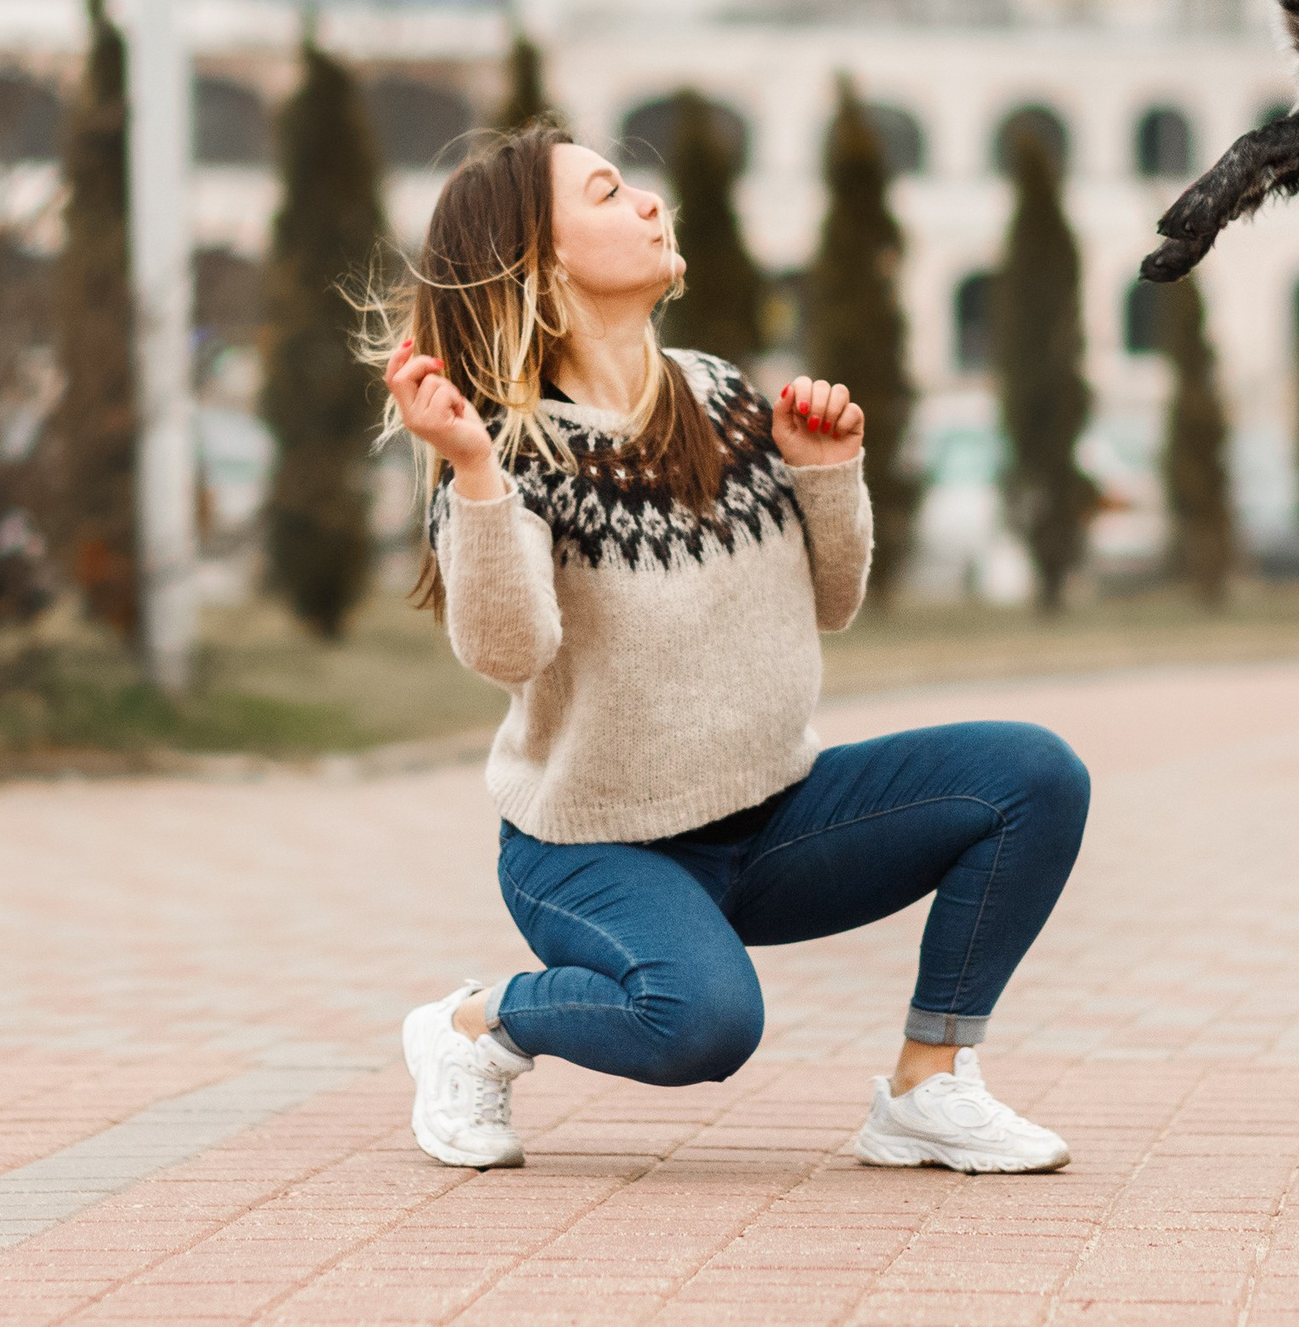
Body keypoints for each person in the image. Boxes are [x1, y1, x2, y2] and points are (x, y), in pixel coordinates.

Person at [373, 122, 1089, 1175]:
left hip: (772, 824)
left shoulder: (718, 393)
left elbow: (830, 604)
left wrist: (824, 472)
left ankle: (928, 1088)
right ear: (541, 257)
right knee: (701, 1025)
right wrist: (474, 475)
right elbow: (508, 651)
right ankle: (477, 1028)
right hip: (591, 852)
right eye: (609, 194)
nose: (650, 205)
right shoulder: (504, 446)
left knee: (1031, 775)